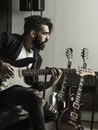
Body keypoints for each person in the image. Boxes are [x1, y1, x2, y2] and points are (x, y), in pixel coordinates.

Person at [0, 15, 62, 130]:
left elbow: (34, 85)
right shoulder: (9, 39)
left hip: (19, 93)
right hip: (2, 90)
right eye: (44, 33)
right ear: (33, 34)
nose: (47, 38)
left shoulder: (37, 58)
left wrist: (49, 84)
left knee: (52, 114)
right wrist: (1, 65)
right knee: (33, 96)